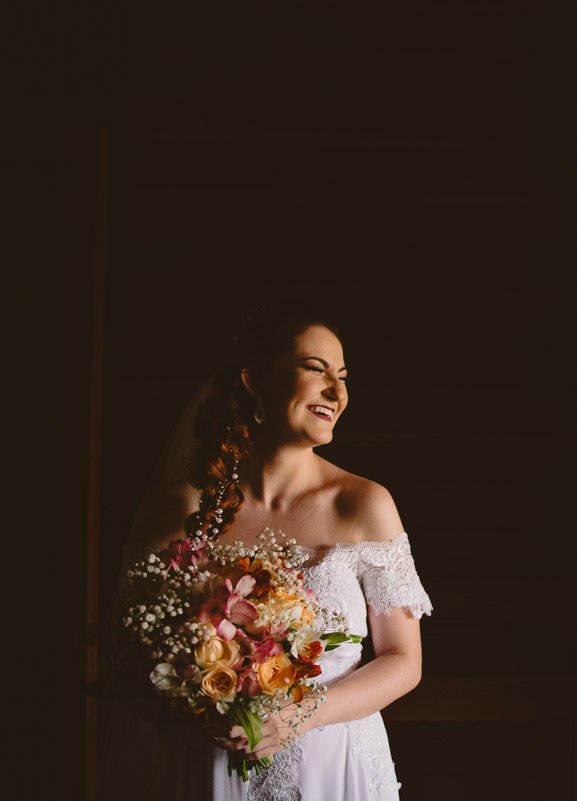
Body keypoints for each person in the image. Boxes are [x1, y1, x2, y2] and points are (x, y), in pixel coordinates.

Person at [101, 304, 432, 800]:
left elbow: (404, 661)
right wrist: (199, 710)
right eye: (315, 369)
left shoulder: (362, 504)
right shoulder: (176, 511)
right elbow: (123, 664)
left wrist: (297, 716)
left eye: (342, 377)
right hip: (211, 769)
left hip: (334, 768)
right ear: (255, 380)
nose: (336, 392)